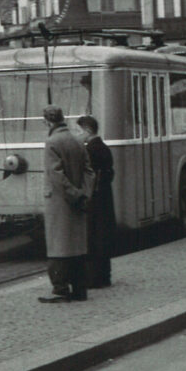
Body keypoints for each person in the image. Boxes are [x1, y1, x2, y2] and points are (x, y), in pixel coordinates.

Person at [39, 105, 96, 303]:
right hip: (78, 201)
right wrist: (84, 194)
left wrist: (73, 194)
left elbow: (56, 176)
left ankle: (60, 288)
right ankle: (80, 289)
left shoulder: (52, 142)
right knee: (76, 245)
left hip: (59, 202)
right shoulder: (77, 140)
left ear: (47, 121)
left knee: (58, 246)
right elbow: (89, 171)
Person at [76, 115, 116, 288]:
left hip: (95, 198)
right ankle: (104, 276)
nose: (77, 135)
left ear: (87, 131)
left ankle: (93, 278)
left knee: (92, 237)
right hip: (105, 196)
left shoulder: (90, 150)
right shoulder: (103, 147)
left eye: (78, 131)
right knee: (103, 236)